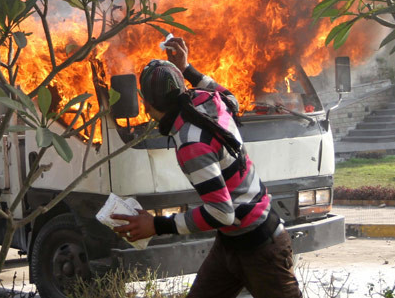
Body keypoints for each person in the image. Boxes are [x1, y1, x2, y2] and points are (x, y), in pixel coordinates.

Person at [111, 37, 302, 298]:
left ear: (147, 104)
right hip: (231, 244)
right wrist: (187, 67)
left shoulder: (191, 143)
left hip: (261, 247)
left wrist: (157, 225)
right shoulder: (207, 101)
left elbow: (221, 212)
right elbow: (231, 97)